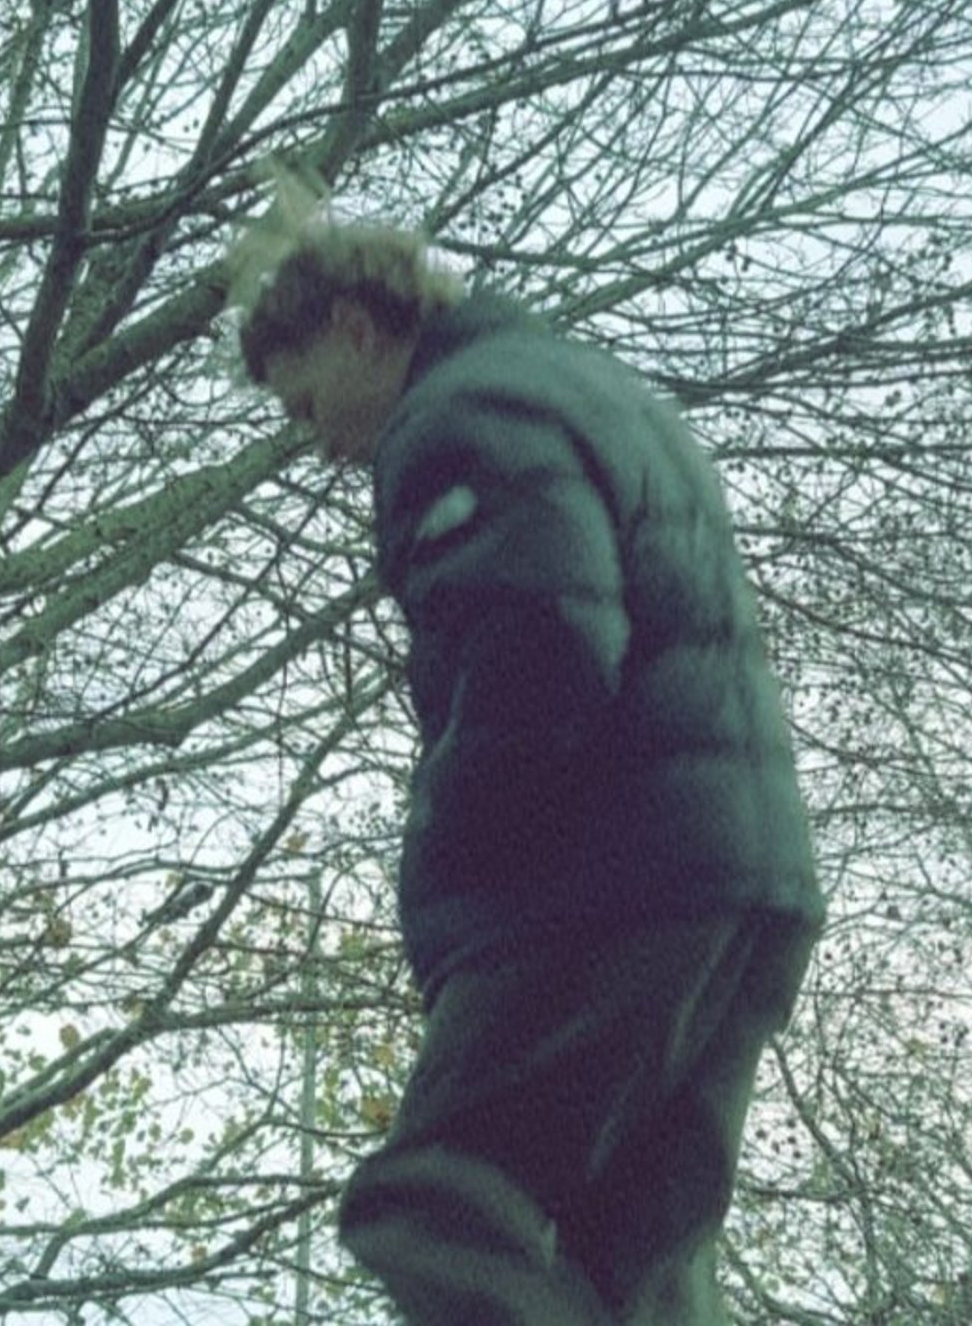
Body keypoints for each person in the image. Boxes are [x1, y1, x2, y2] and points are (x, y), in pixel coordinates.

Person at [235, 205, 824, 1326]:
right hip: (743, 889)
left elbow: (542, 643)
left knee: (440, 1204)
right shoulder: (594, 391)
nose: (318, 445)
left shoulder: (458, 416)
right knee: (635, 1267)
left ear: (355, 329)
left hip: (610, 886)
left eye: (306, 405)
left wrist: (451, 861)